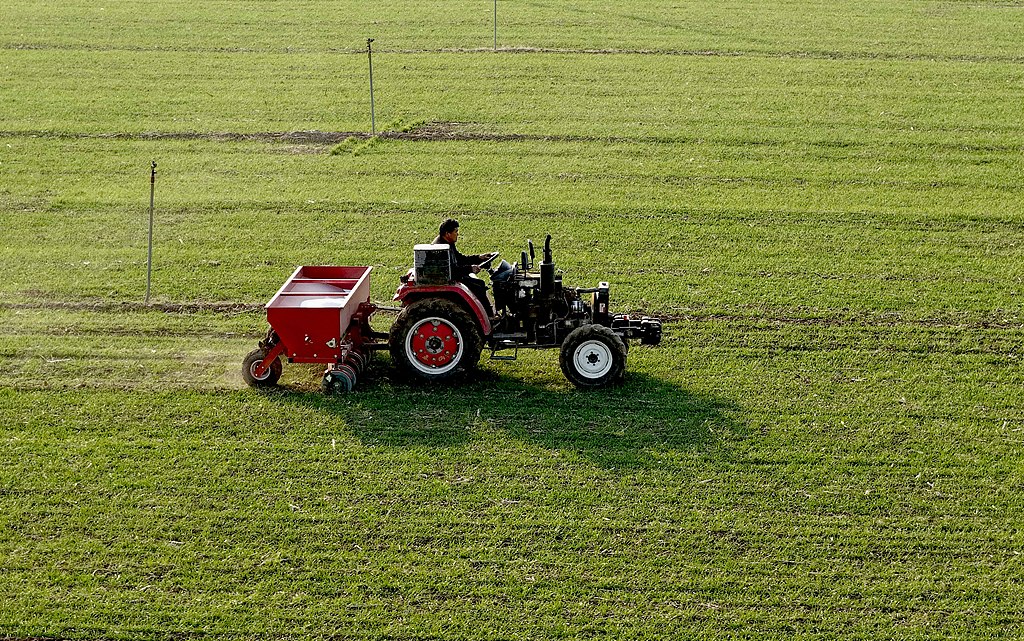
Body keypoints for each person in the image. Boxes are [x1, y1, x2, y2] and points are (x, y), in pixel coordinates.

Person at [433, 218, 496, 319]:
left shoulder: (447, 243)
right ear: (447, 233)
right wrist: (470, 269)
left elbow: (460, 259)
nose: (458, 234)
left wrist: (479, 258)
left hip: (450, 275)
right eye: (456, 231)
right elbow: (452, 270)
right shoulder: (441, 249)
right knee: (479, 285)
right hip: (447, 278)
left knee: (478, 283)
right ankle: (489, 317)